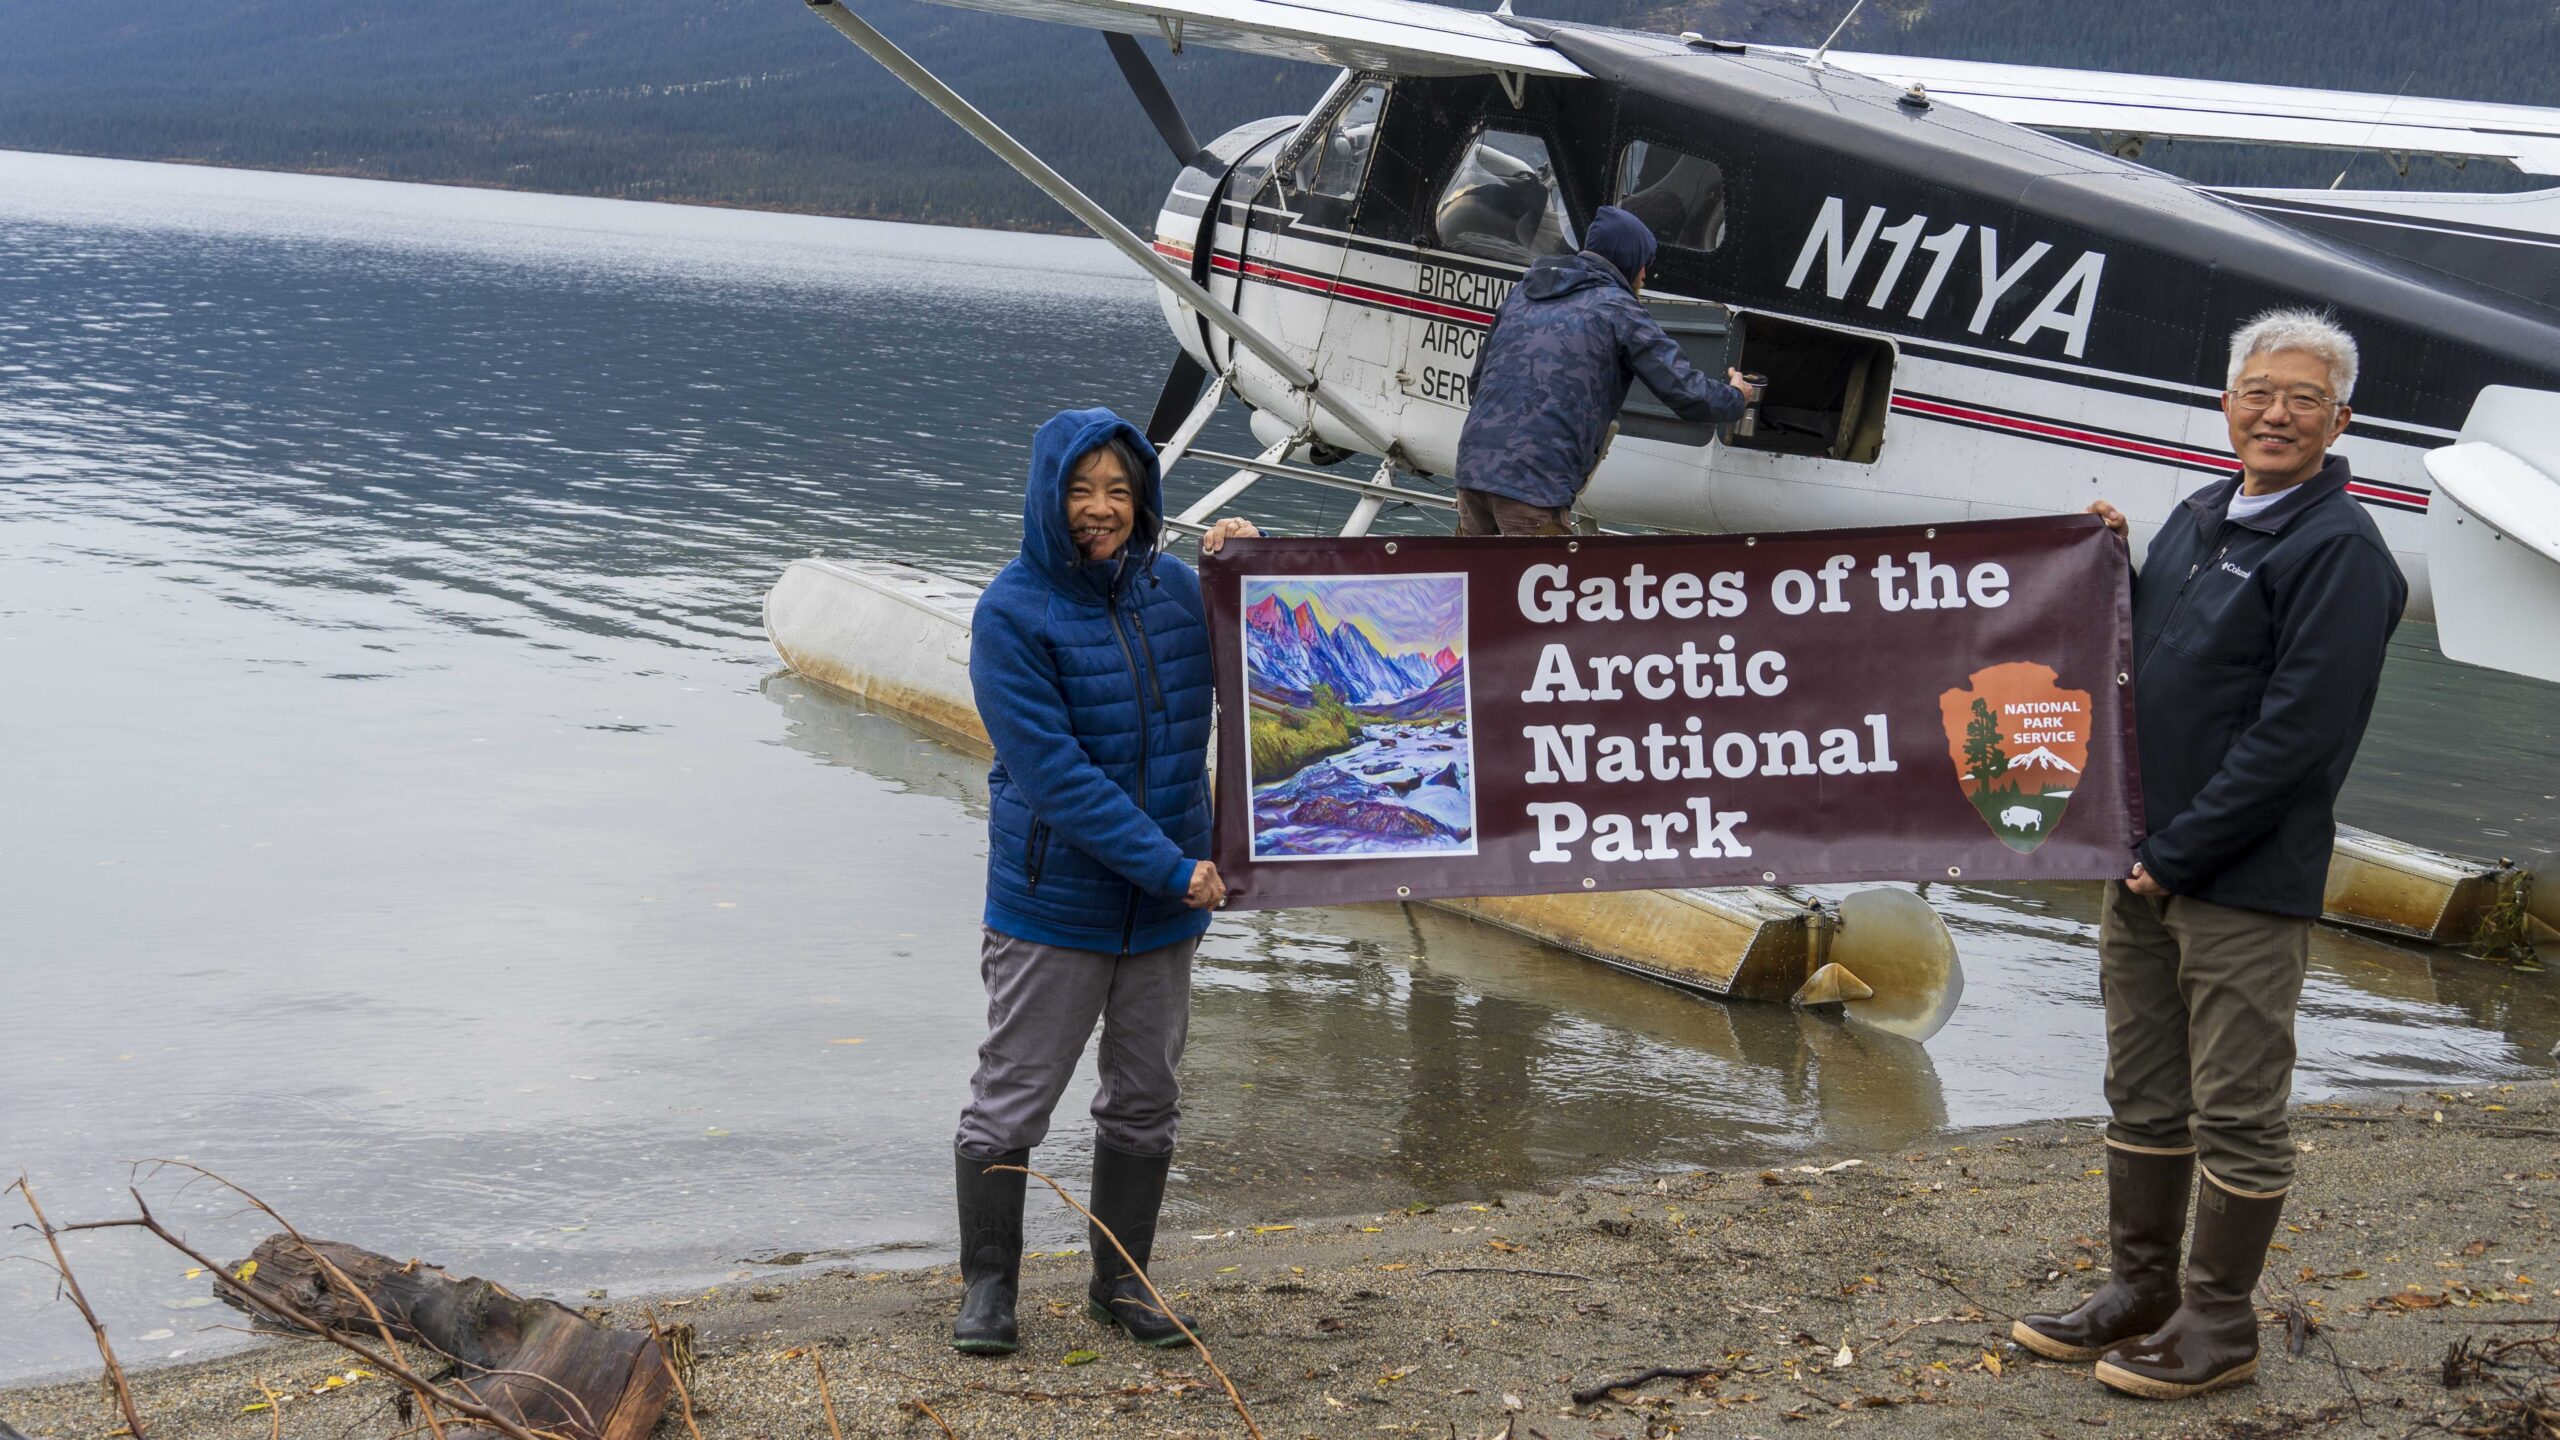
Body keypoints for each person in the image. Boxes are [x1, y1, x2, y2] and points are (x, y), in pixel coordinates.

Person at [2013, 310, 2407, 1400]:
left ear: (2340, 420)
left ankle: (2218, 1325)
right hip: (2138, 861)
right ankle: (2141, 1294)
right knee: (2141, 1093)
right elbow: (2128, 658)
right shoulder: (2195, 517)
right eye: (2257, 391)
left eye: (2301, 398)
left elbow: (2300, 739)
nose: (2274, 413)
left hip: (2234, 879)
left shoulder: (2340, 551)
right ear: (2227, 403)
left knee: (2235, 1106)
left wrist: (2179, 851)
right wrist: (2100, 559)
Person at [954, 406, 1258, 1356]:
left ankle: (1120, 1285)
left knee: (1145, 1097)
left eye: (1119, 491)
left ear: (1145, 499)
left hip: (1164, 915)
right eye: (1081, 490)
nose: (1100, 509)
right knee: (1012, 1098)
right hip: (1056, 905)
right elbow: (1056, 778)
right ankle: (989, 1292)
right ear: (1049, 497)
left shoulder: (1177, 592)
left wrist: (1253, 564)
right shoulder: (1010, 614)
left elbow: (1276, 661)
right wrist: (1176, 867)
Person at [1454, 204, 1758, 536]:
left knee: (1473, 582)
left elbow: (1479, 379)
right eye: (1644, 265)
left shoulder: (1523, 293)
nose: (1644, 275)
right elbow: (1686, 392)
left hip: (1472, 472)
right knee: (1544, 586)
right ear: (1628, 262)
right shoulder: (1618, 308)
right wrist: (1735, 396)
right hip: (1534, 487)